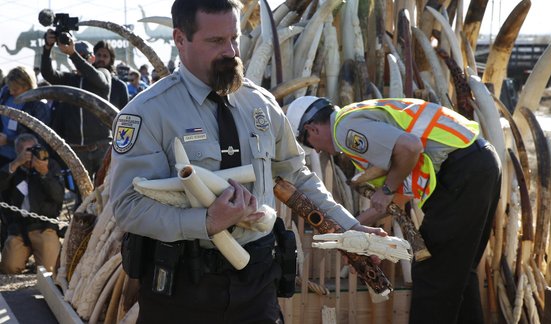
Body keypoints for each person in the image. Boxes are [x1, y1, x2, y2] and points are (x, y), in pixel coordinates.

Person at [107, 1, 385, 323]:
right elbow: (129, 206)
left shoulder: (260, 104)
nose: (230, 51)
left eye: (234, 38)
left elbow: (296, 175)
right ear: (180, 39)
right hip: (184, 287)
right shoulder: (147, 113)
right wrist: (206, 222)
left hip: (257, 282)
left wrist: (350, 227)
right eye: (215, 41)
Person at [286, 96, 502, 324]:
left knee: (432, 273)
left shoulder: (344, 129)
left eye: (309, 144)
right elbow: (394, 199)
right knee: (457, 271)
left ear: (312, 129)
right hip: (479, 164)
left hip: (463, 171)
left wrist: (386, 189)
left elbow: (411, 147)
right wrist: (354, 231)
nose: (317, 151)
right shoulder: (361, 119)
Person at [41, 33, 112, 180]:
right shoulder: (69, 79)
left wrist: (73, 54)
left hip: (101, 147)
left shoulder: (103, 73)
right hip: (78, 150)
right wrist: (48, 48)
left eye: (83, 56)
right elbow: (48, 74)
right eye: (76, 57)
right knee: (83, 195)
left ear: (92, 58)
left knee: (106, 192)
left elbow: (99, 81)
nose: (78, 60)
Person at [0, 133, 64, 274]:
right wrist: (16, 163)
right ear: (18, 152)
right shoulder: (12, 168)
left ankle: (47, 253)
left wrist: (44, 173)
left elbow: (58, 196)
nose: (32, 154)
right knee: (9, 268)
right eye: (27, 151)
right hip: (19, 228)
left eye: (35, 149)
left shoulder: (51, 165)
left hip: (44, 227)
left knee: (50, 270)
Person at [0, 66, 51, 167]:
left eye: (15, 89)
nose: (11, 92)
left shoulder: (39, 107)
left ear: (27, 86)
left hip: (22, 161)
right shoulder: (5, 96)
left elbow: (39, 140)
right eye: (9, 88)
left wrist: (9, 141)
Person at [93, 40, 129, 110]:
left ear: (111, 60)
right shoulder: (84, 81)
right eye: (98, 55)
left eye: (105, 56)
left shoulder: (119, 86)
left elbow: (124, 114)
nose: (101, 59)